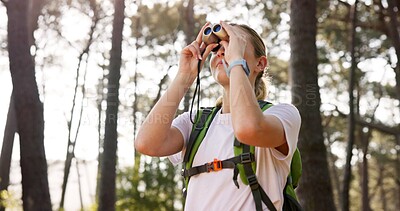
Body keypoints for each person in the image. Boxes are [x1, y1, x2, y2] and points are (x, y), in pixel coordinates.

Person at [135, 21, 301, 211]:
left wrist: (236, 62)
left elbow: (249, 129)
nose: (223, 52)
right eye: (217, 49)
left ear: (260, 63)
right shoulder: (195, 123)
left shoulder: (282, 114)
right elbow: (147, 144)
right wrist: (184, 76)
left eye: (233, 45)